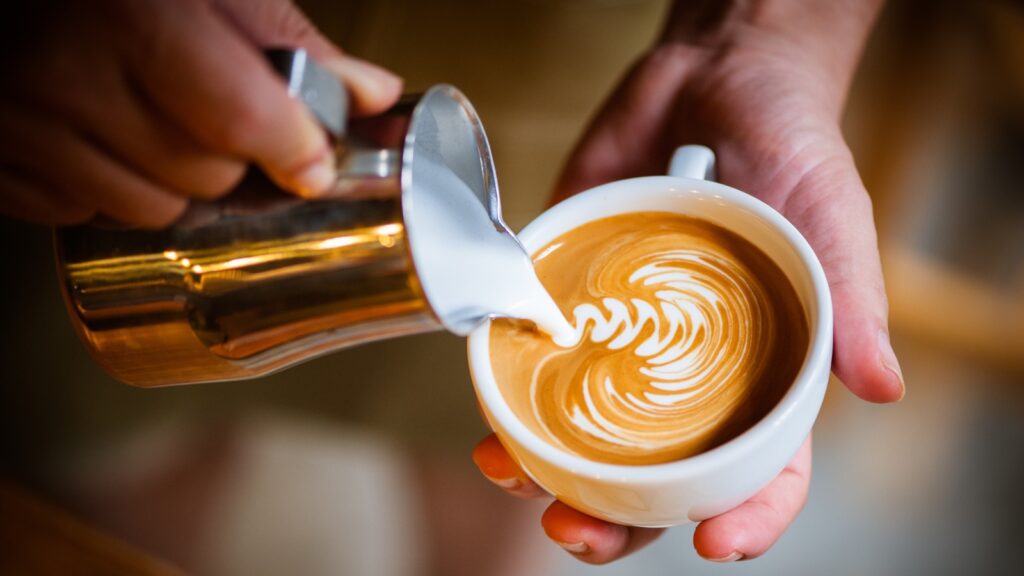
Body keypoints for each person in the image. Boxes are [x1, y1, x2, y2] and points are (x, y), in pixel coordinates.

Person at [0, 0, 903, 565]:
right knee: (110, 419)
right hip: (114, 86)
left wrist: (761, 31)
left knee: (481, 477)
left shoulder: (577, 192)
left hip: (551, 84)